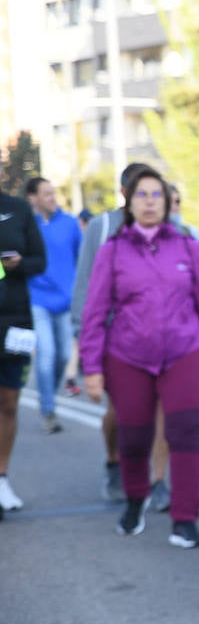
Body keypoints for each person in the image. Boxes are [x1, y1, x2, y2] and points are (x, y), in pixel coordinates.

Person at [79, 167, 199, 545]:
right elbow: (95, 311)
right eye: (142, 195)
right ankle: (135, 498)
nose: (149, 202)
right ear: (129, 201)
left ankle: (186, 518)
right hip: (128, 356)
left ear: (167, 201)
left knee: (186, 431)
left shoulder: (186, 243)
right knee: (134, 435)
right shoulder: (113, 249)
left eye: (156, 195)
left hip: (185, 350)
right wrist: (91, 367)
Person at [73, 162, 152, 504]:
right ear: (123, 193)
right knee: (120, 411)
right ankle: (113, 463)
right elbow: (85, 284)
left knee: (154, 410)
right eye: (138, 190)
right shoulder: (103, 226)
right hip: (112, 337)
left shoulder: (164, 228)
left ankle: (154, 477)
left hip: (156, 337)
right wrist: (83, 334)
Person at [0, 188, 47, 513]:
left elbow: (40, 261)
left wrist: (17, 264)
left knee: (9, 403)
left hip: (15, 320)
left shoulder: (18, 208)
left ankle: (1, 478)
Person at [25, 177, 82, 435]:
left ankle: (50, 396)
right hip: (37, 299)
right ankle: (48, 410)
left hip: (65, 300)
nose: (51, 198)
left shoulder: (70, 224)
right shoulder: (27, 226)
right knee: (46, 354)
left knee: (63, 356)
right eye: (45, 194)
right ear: (32, 198)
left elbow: (83, 261)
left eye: (53, 193)